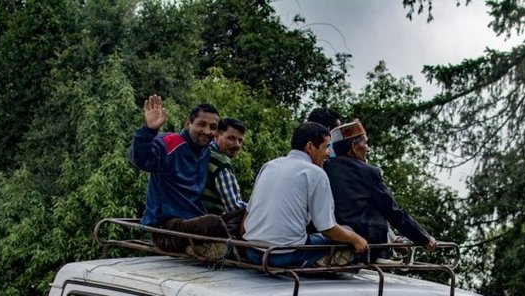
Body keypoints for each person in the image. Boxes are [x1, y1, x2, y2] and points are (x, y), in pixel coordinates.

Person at [242, 122, 369, 268]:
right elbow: (328, 229)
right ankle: (322, 261)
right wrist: (356, 239)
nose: (328, 153)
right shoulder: (316, 173)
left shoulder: (269, 165)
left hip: (252, 253)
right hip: (284, 256)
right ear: (310, 147)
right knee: (348, 231)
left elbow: (247, 214)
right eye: (325, 147)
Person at [128, 98, 231, 252]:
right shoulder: (171, 142)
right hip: (168, 229)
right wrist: (149, 130)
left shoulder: (206, 152)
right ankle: (202, 248)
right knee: (214, 223)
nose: (207, 131)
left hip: (193, 225)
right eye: (201, 124)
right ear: (188, 123)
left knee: (240, 218)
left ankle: (198, 247)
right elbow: (141, 159)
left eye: (213, 127)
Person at [323, 120, 438, 258]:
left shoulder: (324, 168)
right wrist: (424, 238)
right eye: (365, 143)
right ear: (354, 146)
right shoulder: (368, 172)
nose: (368, 148)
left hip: (332, 237)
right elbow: (393, 210)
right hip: (368, 244)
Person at [201, 116, 247, 215]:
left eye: (240, 141)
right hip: (205, 220)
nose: (237, 145)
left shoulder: (204, 151)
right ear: (216, 135)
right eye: (231, 138)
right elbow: (234, 207)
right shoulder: (220, 163)